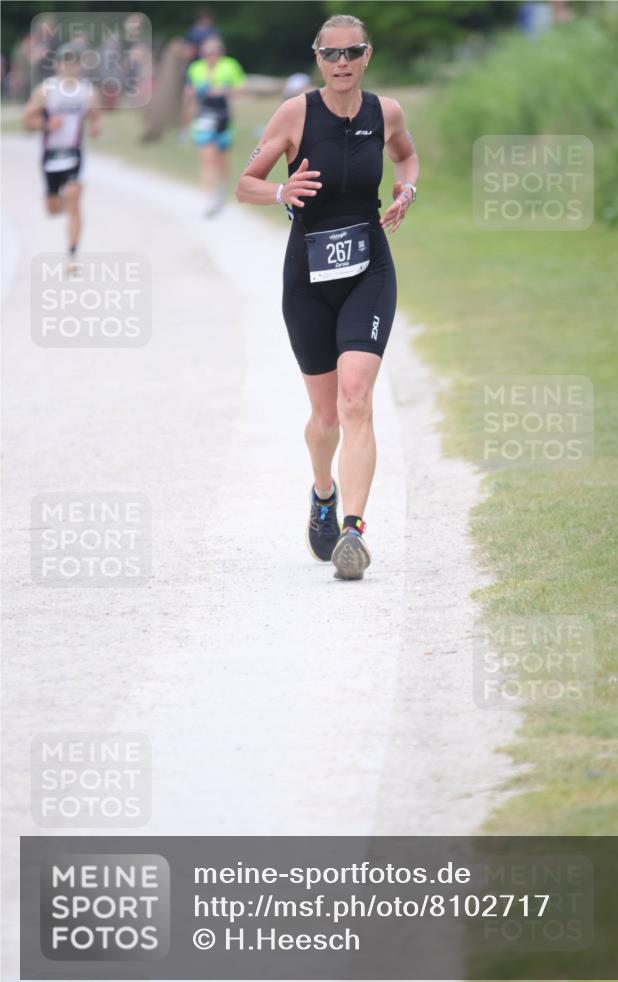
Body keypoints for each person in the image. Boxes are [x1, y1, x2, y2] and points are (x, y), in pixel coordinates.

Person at [236, 14, 419, 580]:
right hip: (308, 278)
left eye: (352, 52)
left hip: (369, 268)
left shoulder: (385, 112)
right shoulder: (296, 112)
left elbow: (407, 156)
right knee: (324, 416)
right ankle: (323, 492)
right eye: (330, 54)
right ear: (318, 58)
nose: (341, 63)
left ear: (368, 56)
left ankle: (353, 533)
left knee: (357, 397)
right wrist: (280, 191)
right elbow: (245, 183)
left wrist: (405, 187)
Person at [22, 45, 101, 271]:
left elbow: (96, 116)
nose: (69, 67)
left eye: (73, 62)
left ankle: (72, 256)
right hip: (50, 155)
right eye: (65, 62)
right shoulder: (46, 90)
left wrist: (95, 125)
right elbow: (27, 121)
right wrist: (47, 125)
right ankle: (60, 199)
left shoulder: (87, 91)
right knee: (53, 209)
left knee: (74, 198)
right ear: (57, 64)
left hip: (74, 153)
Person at [182, 35, 245, 217]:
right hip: (203, 116)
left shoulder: (230, 65)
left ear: (220, 52)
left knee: (221, 159)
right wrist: (186, 120)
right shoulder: (196, 68)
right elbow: (189, 93)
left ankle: (221, 192)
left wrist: (224, 90)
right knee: (207, 157)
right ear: (202, 53)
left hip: (223, 116)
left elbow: (240, 89)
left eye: (214, 52)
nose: (211, 55)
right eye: (207, 52)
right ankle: (207, 198)